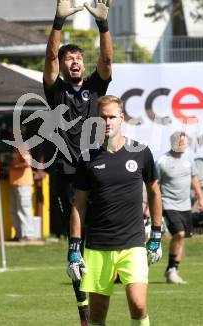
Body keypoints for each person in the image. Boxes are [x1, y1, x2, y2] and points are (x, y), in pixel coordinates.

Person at [43, 0, 114, 325]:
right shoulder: (54, 90)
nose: (74, 62)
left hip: (96, 169)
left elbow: (108, 61)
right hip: (68, 173)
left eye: (78, 58)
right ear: (61, 66)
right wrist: (58, 20)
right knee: (76, 252)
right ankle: (84, 315)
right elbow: (49, 56)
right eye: (68, 58)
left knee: (101, 240)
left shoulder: (95, 89)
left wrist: (103, 26)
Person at [67, 95, 163, 326]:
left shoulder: (141, 152)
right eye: (102, 117)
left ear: (122, 118)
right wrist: (73, 249)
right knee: (97, 316)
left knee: (139, 305)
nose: (107, 122)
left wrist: (157, 235)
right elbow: (78, 206)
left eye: (112, 117)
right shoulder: (87, 158)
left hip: (133, 244)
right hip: (98, 246)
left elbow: (154, 192)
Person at [156, 131, 203, 284]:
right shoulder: (162, 161)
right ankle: (171, 269)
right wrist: (150, 207)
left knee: (182, 237)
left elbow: (194, 179)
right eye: (181, 142)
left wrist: (201, 198)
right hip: (168, 203)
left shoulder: (188, 159)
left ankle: (173, 271)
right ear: (173, 143)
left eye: (185, 142)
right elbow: (155, 186)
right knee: (179, 233)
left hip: (186, 206)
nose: (185, 144)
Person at [8, 142, 34, 241]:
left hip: (23, 182)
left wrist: (13, 167)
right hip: (14, 182)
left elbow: (27, 163)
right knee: (14, 210)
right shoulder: (16, 146)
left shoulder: (23, 146)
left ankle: (27, 235)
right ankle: (19, 234)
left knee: (24, 209)